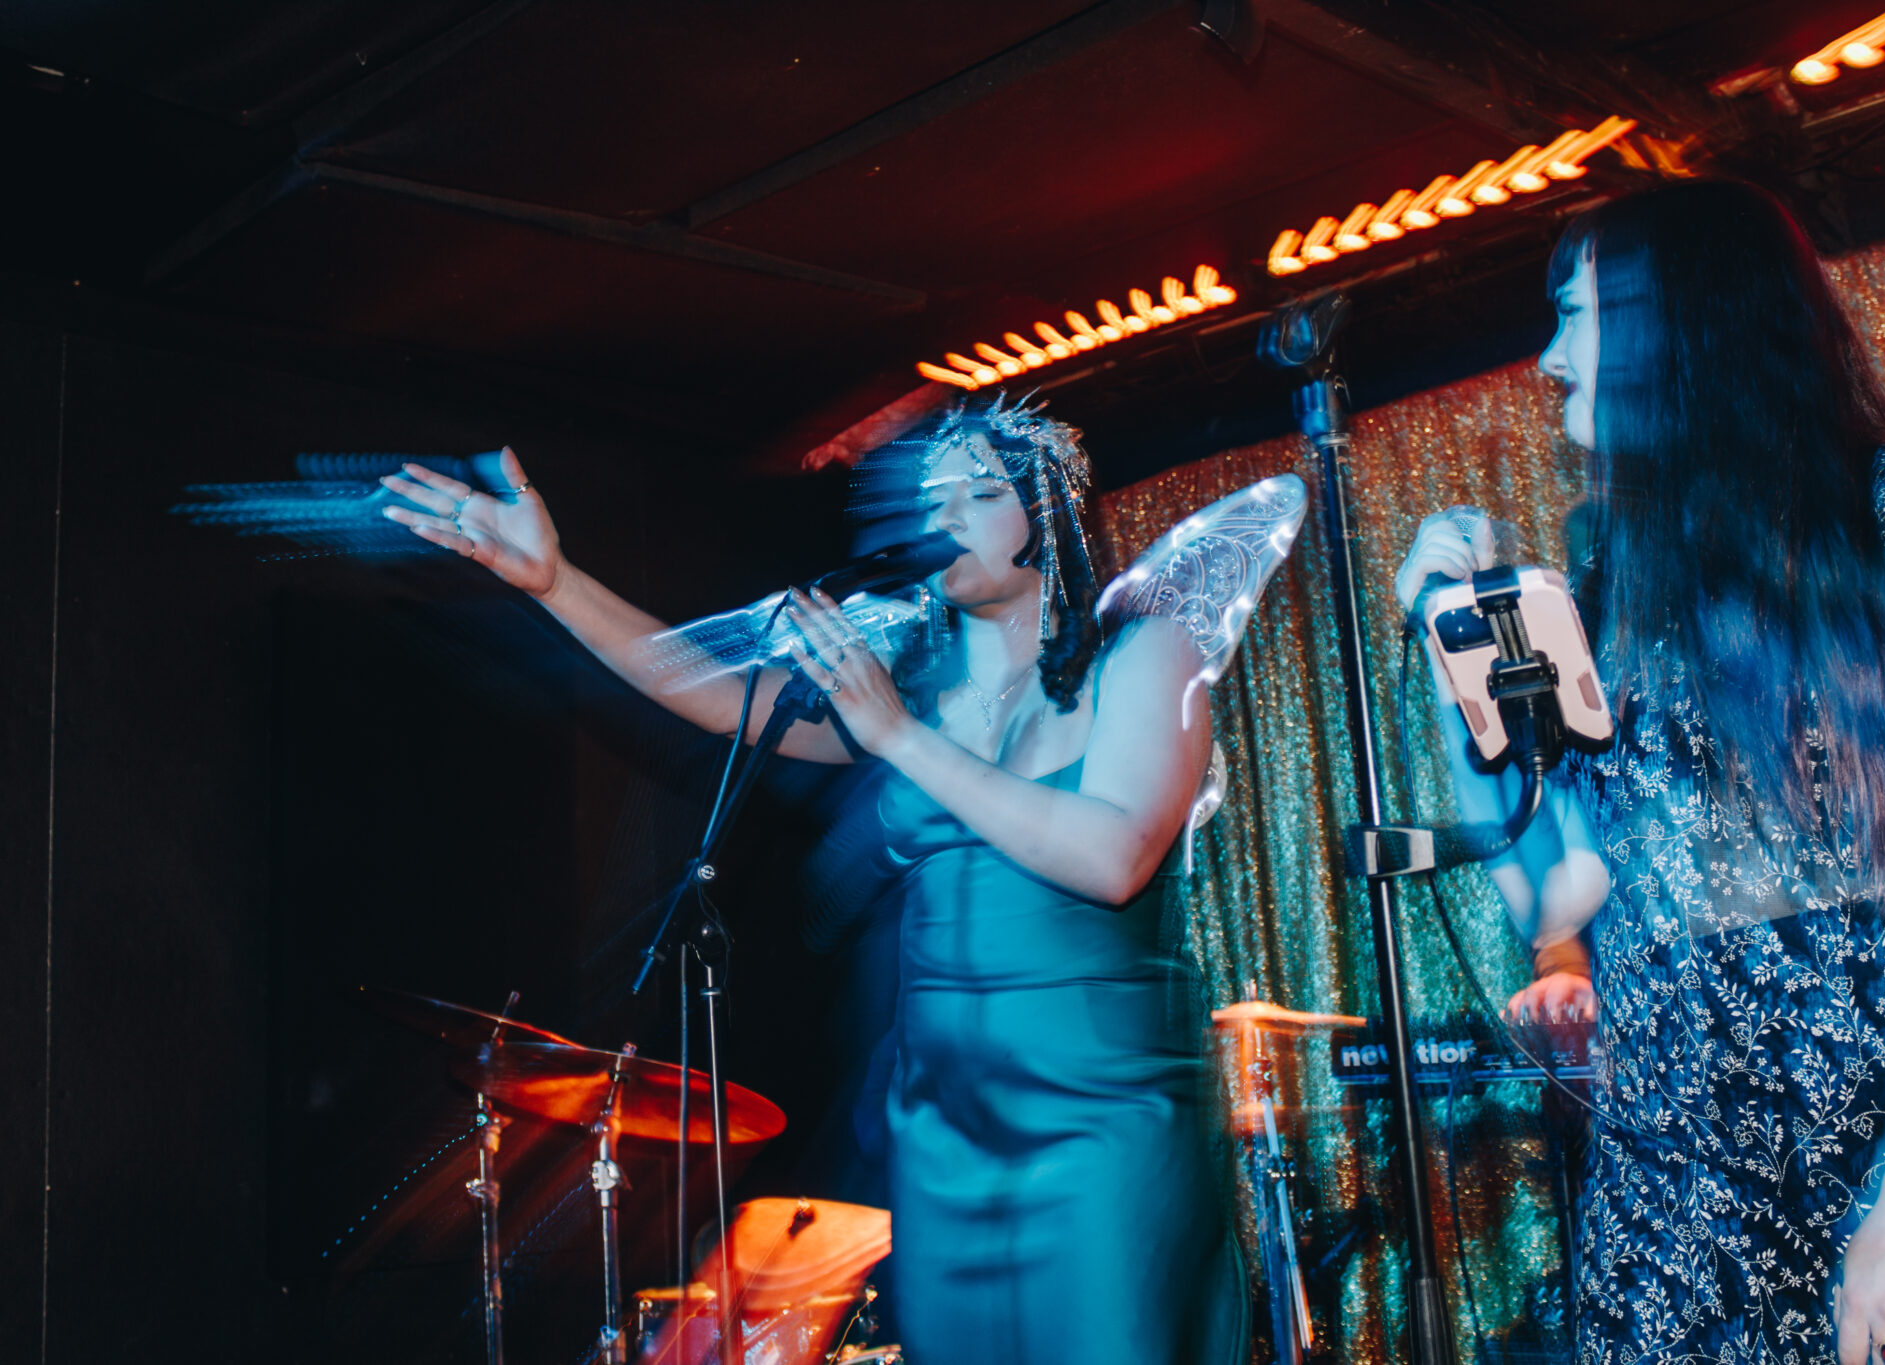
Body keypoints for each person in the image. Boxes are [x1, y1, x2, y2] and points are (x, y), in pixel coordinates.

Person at [379, 397, 1244, 1365]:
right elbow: (713, 695)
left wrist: (896, 737)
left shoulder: (1142, 653)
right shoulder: (912, 684)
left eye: (979, 492)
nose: (943, 517)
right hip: (944, 1129)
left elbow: (1115, 859)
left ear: (1050, 510)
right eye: (930, 499)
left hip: (1099, 1118)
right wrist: (554, 581)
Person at [1395, 179, 1885, 1365]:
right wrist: (1461, 647)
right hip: (1675, 1215)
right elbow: (1551, 896)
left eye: (1573, 315)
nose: (1546, 360)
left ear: (1678, 316)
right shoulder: (1605, 595)